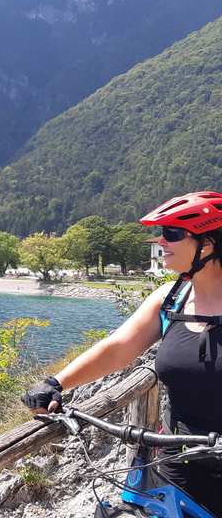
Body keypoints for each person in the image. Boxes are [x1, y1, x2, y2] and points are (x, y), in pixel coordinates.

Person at [23, 191, 222, 513]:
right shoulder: (171, 298)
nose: (161, 241)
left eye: (172, 234)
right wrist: (55, 383)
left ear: (208, 244)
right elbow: (117, 347)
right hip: (178, 465)